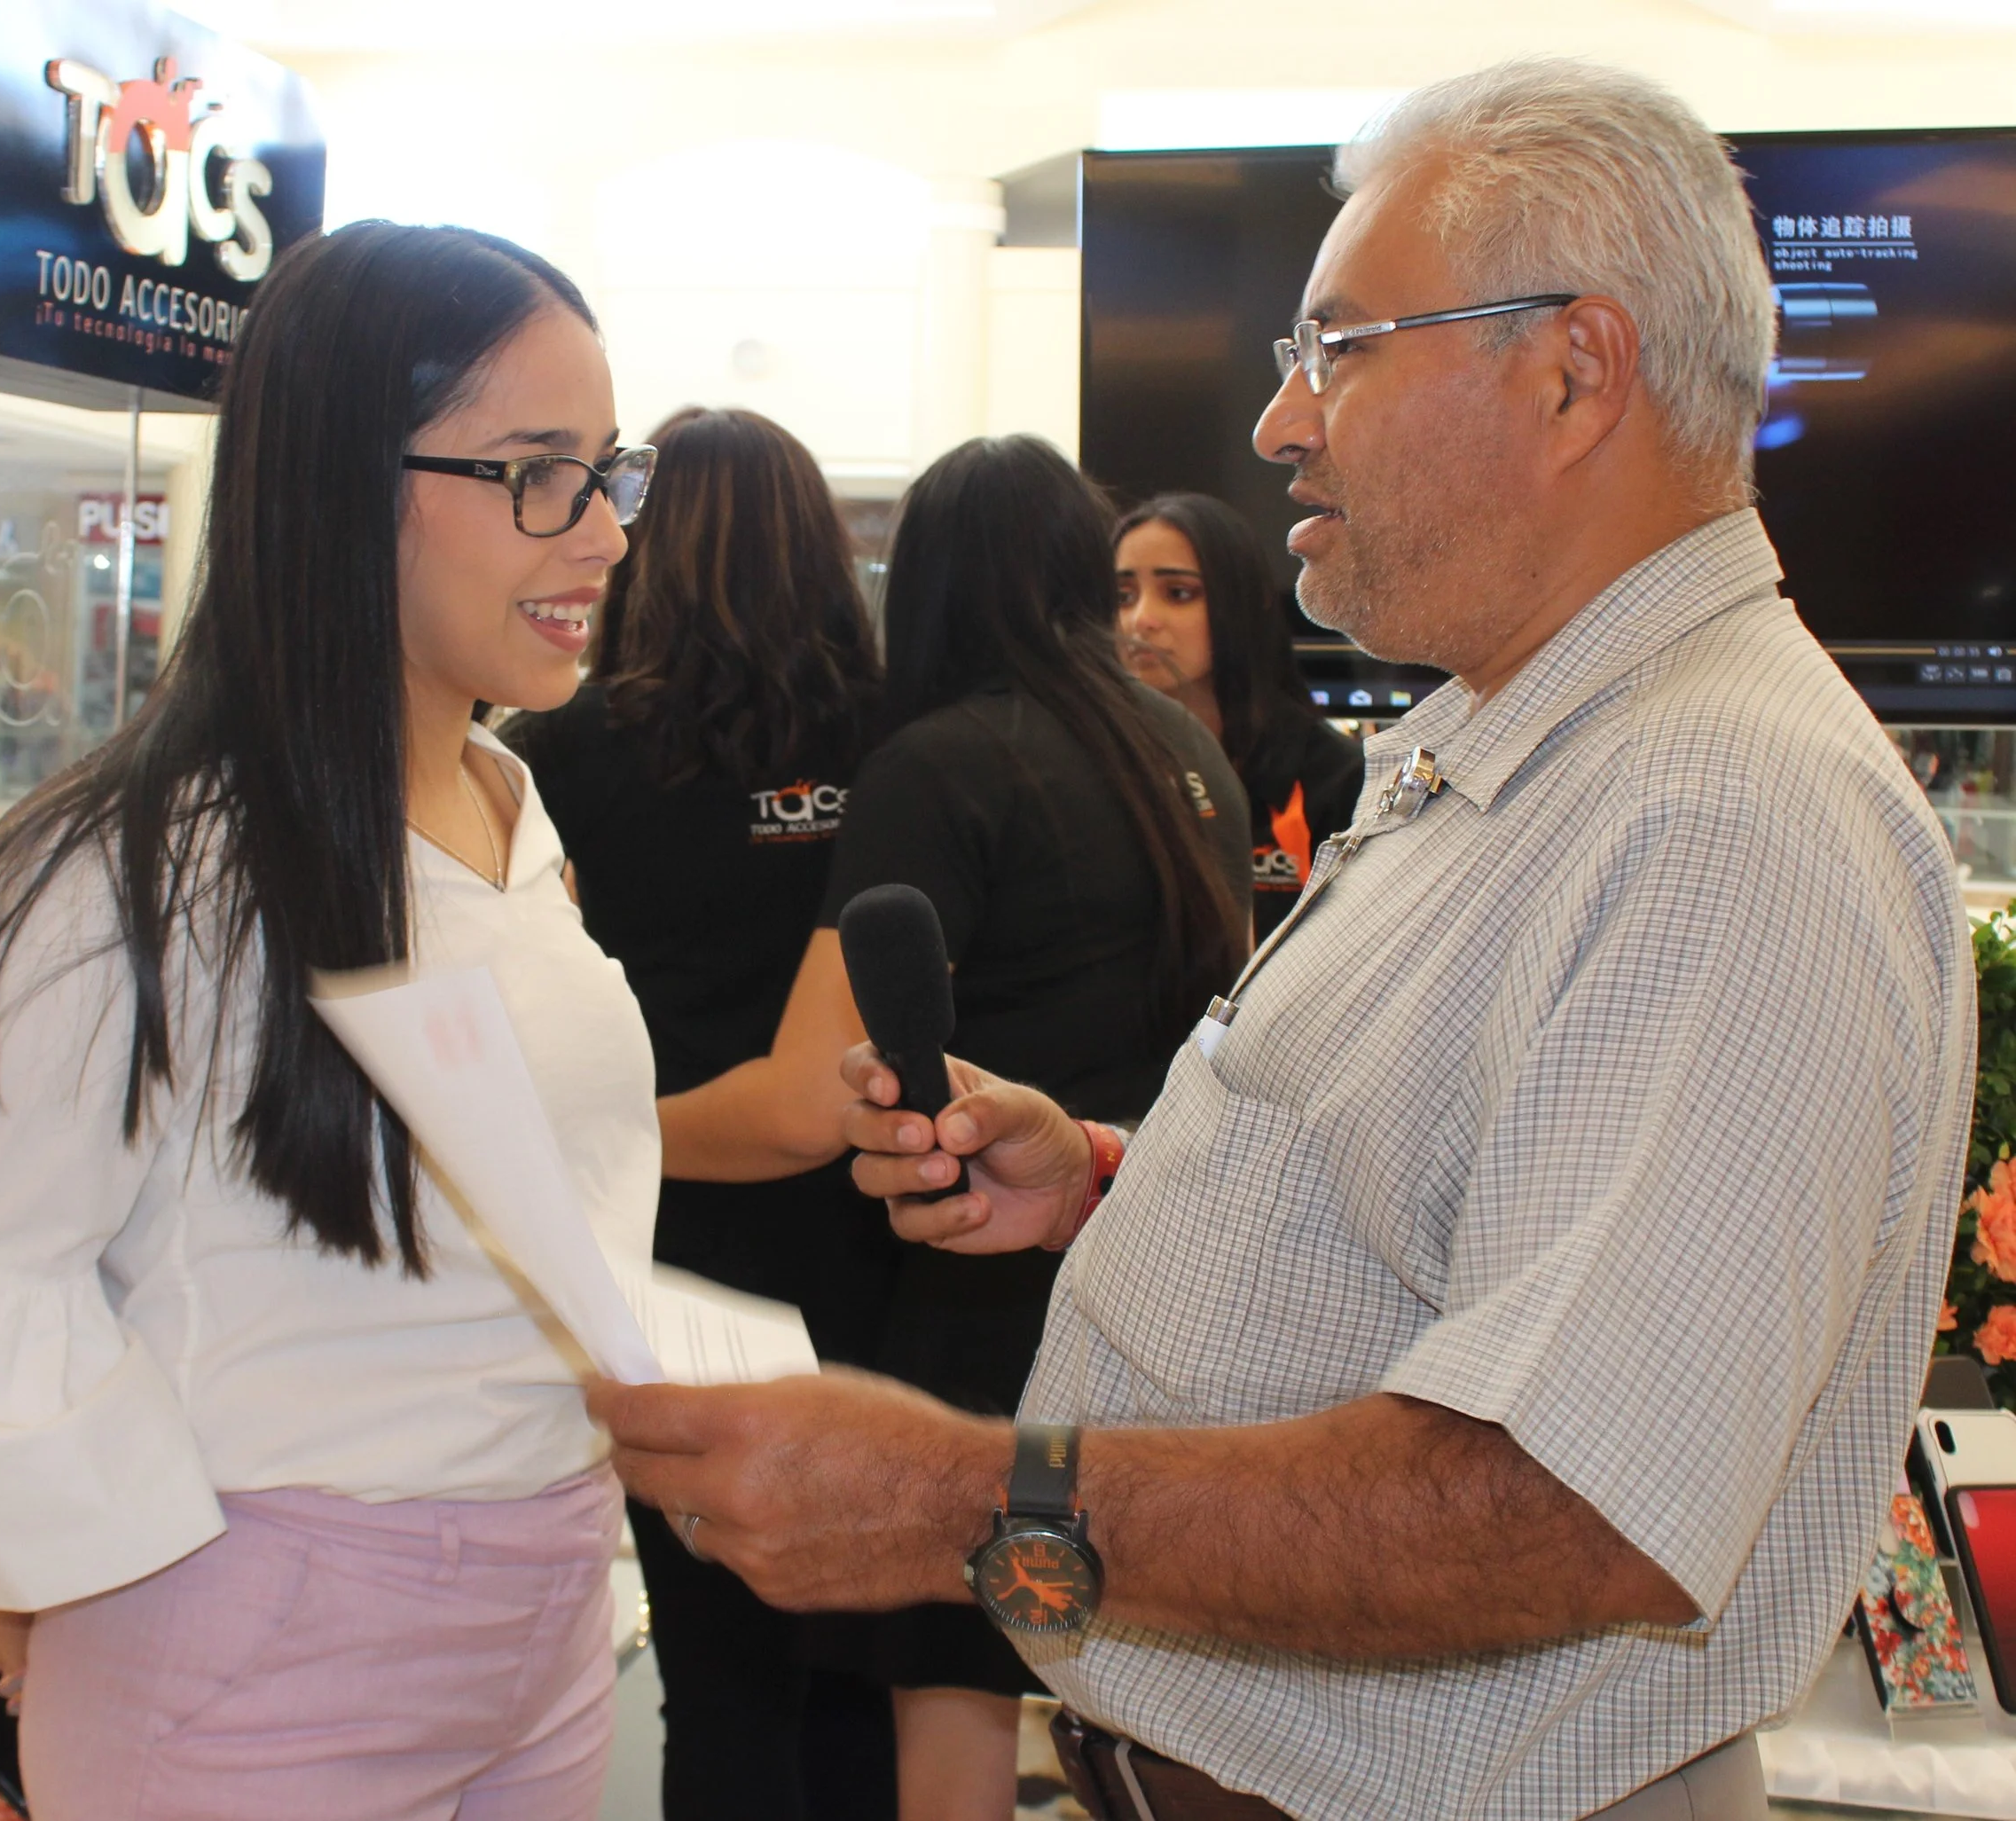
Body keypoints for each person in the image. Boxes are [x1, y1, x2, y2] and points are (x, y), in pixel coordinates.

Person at [589, 59, 1974, 1821]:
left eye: (1340, 348)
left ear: (1573, 371)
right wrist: (1104, 1180)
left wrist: (948, 1496)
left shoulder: (1715, 811)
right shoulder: (1543, 748)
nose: (1277, 423)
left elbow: (1566, 1506)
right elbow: (1451, 1211)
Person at [0, 222, 661, 1821]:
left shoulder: (508, 798)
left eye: (608, 471)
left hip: (546, 1609)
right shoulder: (134, 865)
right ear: (346, 481)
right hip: (254, 1635)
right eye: (539, 476)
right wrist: (58, 1580)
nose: (604, 534)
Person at [657, 432, 1249, 1821]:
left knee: (956, 1703)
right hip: (1161, 1273)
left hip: (985, 1303)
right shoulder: (1188, 752)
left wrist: (599, 1125)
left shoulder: (938, 767)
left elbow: (812, 1095)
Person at [500, 404, 901, 1821]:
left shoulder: (562, 751)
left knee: (719, 1670)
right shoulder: (894, 738)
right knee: (860, 1666)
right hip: (871, 1234)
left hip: (661, 1248)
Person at [1115, 493, 1363, 942]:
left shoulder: (1336, 778)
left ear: (1245, 604)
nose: (1141, 619)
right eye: (1123, 596)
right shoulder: (1090, 762)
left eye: (1178, 593)